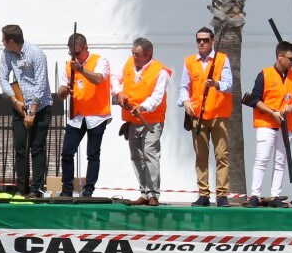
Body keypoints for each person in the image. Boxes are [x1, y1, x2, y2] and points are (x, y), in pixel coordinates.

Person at [244, 41, 292, 207]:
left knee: (280, 161)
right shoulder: (264, 74)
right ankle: (254, 195)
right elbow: (255, 99)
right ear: (280, 57)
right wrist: (272, 113)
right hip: (266, 123)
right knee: (262, 159)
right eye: (290, 58)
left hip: (286, 125)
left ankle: (275, 196)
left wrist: (290, 107)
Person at [178, 27, 234, 206]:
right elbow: (183, 87)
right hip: (198, 115)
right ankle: (203, 193)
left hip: (219, 113)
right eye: (199, 40)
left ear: (212, 41)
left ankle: (222, 194)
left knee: (221, 156)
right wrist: (185, 102)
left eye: (205, 40)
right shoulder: (189, 61)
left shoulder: (222, 59)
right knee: (201, 156)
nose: (202, 43)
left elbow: (229, 85)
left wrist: (216, 84)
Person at [112, 37, 170, 206]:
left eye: (137, 54)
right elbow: (115, 77)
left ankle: (153, 194)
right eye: (133, 53)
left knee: (150, 154)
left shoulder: (160, 71)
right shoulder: (128, 63)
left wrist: (143, 107)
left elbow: (157, 97)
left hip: (151, 121)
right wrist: (118, 92)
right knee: (136, 156)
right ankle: (144, 192)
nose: (134, 57)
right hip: (132, 120)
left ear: (148, 54)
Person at [0, 24, 52, 197]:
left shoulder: (35, 53)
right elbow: (2, 77)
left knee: (37, 148)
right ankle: (21, 189)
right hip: (19, 104)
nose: (2, 42)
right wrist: (14, 101)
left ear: (11, 40)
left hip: (40, 106)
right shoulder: (6, 53)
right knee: (20, 148)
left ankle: (37, 189)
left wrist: (32, 112)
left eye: (3, 39)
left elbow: (41, 83)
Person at [57, 31, 112, 198]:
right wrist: (64, 91)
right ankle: (67, 190)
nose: (74, 57)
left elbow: (98, 79)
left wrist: (81, 69)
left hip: (96, 116)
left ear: (85, 48)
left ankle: (88, 191)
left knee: (92, 154)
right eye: (71, 53)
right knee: (67, 152)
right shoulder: (69, 65)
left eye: (77, 53)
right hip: (77, 115)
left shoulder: (99, 61)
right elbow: (61, 92)